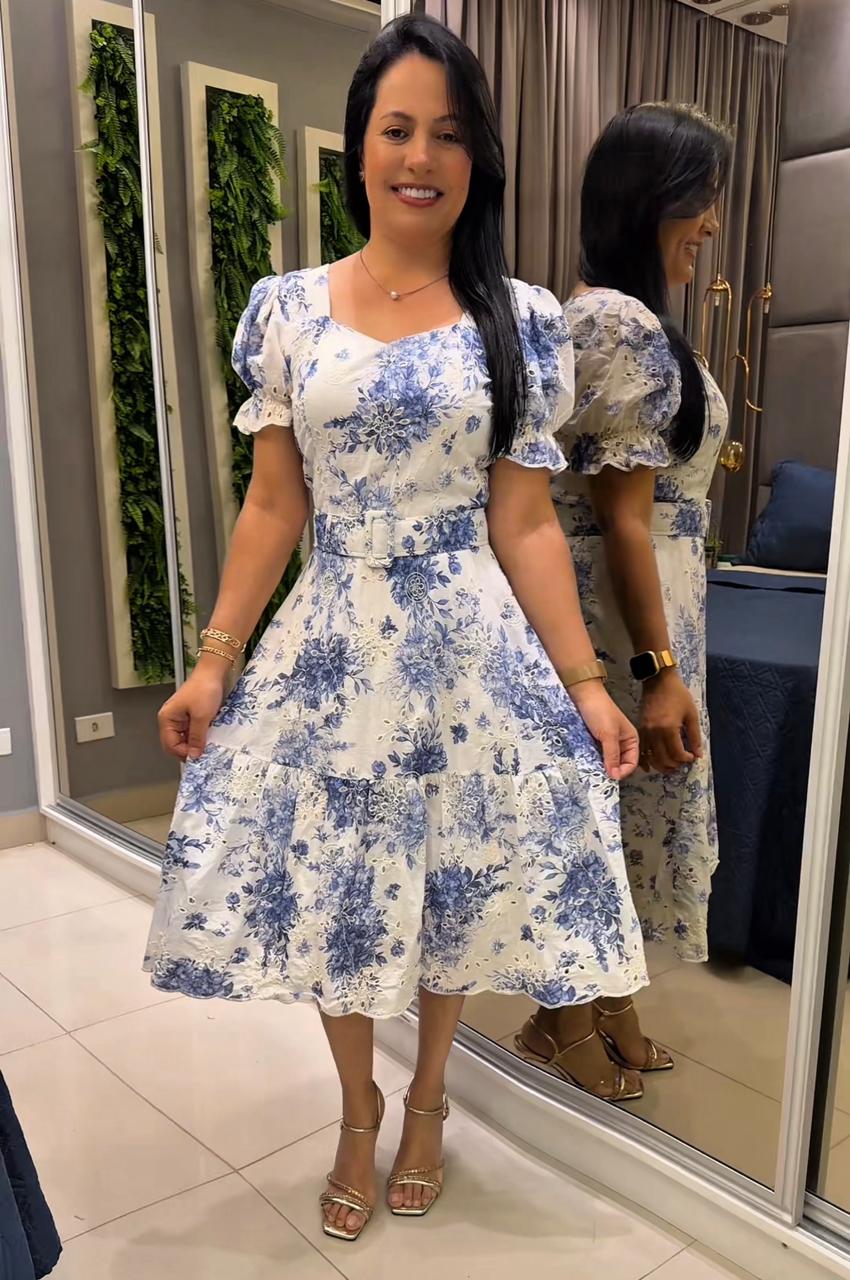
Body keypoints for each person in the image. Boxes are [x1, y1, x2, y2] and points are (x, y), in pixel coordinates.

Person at [144, 15, 648, 1243]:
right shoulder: (287, 310)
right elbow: (274, 504)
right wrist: (213, 662)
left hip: (466, 646)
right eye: (398, 129)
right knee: (336, 884)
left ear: (478, 158)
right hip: (333, 642)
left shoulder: (518, 318)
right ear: (360, 148)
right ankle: (356, 1106)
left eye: (450, 134)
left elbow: (523, 521)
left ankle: (427, 1097)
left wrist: (587, 683)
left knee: (448, 879)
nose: (422, 156)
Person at [517, 103, 732, 1096]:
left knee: (601, 812)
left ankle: (603, 1004)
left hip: (626, 605)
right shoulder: (617, 322)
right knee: (595, 816)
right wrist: (657, 670)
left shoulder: (611, 318)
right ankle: (563, 1018)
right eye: (702, 198)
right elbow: (623, 519)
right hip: (617, 617)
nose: (713, 223)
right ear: (651, 200)